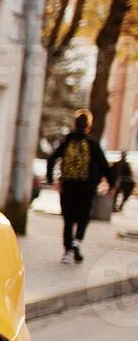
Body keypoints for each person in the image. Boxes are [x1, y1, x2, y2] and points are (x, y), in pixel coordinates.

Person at [47, 109, 114, 264]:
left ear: (74, 124)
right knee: (84, 217)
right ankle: (77, 241)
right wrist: (111, 185)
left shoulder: (67, 141)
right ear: (88, 126)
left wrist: (52, 180)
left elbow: (52, 158)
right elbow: (104, 165)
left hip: (68, 186)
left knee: (68, 220)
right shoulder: (92, 144)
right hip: (86, 188)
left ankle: (67, 252)